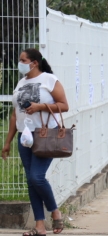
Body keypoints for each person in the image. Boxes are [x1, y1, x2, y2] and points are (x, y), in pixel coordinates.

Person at [1, 48, 68, 236]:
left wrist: (40, 107)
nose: (20, 63)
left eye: (23, 60)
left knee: (36, 177)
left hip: (45, 136)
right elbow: (15, 115)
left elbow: (64, 105)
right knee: (31, 181)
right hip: (25, 137)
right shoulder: (20, 83)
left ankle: (55, 211)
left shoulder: (49, 80)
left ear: (34, 62)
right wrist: (7, 143)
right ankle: (39, 226)